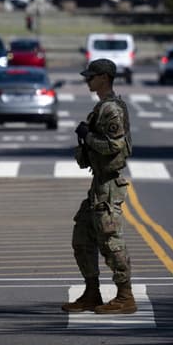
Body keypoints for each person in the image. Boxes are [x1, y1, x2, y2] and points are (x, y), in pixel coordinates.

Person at [63, 58, 136, 315]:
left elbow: (115, 147)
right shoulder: (102, 107)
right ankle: (91, 292)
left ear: (104, 77)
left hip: (108, 185)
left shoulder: (111, 109)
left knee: (111, 240)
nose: (88, 81)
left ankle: (125, 296)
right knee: (82, 238)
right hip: (98, 184)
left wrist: (88, 136)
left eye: (91, 77)